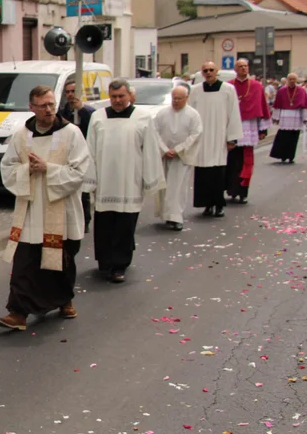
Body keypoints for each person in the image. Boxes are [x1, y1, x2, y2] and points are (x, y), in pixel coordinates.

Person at [0, 85, 91, 331]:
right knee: (25, 261)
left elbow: (80, 171)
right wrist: (27, 169)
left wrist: (49, 168)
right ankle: (18, 312)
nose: (48, 110)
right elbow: (7, 167)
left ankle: (64, 299)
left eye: (51, 104)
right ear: (31, 107)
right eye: (43, 106)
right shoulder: (21, 135)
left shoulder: (72, 133)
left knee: (61, 258)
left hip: (62, 206)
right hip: (31, 208)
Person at [84, 79, 165, 283]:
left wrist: (150, 178)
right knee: (104, 225)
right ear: (109, 97)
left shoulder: (143, 117)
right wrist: (89, 180)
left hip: (130, 180)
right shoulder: (98, 117)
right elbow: (90, 150)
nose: (117, 100)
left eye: (121, 96)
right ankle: (105, 262)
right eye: (113, 97)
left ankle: (120, 265)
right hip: (105, 180)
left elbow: (151, 150)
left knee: (124, 225)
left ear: (129, 95)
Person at [188, 62, 241, 218]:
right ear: (202, 73)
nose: (209, 72)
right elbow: (190, 114)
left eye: (211, 70)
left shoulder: (228, 90)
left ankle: (218, 204)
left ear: (217, 71)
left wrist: (232, 138)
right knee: (202, 171)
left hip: (219, 135)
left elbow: (234, 113)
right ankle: (206, 204)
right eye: (205, 70)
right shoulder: (195, 91)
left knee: (218, 172)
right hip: (201, 136)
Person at [152, 86, 202, 231]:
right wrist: (164, 149)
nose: (176, 101)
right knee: (164, 187)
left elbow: (195, 134)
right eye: (174, 98)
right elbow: (154, 132)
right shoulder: (162, 114)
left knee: (178, 187)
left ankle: (176, 216)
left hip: (182, 157)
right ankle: (166, 215)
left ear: (186, 98)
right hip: (165, 156)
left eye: (180, 98)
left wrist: (179, 149)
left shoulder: (193, 115)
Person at [226, 59, 270, 204]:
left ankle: (243, 191)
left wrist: (263, 129)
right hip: (232, 126)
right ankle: (232, 189)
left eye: (245, 66)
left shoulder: (256, 86)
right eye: (240, 66)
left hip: (249, 126)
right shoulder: (229, 86)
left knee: (246, 161)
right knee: (231, 161)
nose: (244, 68)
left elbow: (262, 106)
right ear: (235, 69)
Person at [58, 78, 95, 232]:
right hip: (67, 155)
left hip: (84, 154)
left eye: (73, 91)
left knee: (83, 189)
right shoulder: (62, 113)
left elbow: (92, 126)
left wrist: (82, 110)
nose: (70, 94)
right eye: (67, 92)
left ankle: (85, 221)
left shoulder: (89, 111)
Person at [270, 73, 307, 163]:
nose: (292, 81)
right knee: (283, 137)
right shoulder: (282, 90)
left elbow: (304, 105)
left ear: (296, 80)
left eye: (294, 79)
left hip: (296, 116)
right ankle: (282, 155)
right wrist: (276, 117)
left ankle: (291, 156)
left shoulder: (301, 91)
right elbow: (277, 104)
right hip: (285, 116)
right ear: (287, 80)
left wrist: (306, 117)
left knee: (293, 137)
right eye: (290, 79)